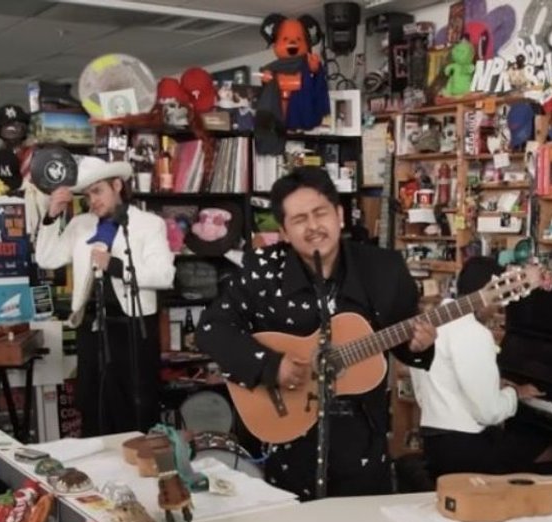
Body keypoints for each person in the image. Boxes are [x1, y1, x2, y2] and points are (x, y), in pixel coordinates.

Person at [197, 167, 437, 499]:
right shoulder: (263, 270)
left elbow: (405, 341)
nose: (312, 227)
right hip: (289, 438)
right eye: (299, 220)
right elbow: (212, 329)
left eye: (320, 213)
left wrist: (420, 345)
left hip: (363, 443)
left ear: (339, 215)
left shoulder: (384, 268)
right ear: (284, 231)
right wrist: (270, 365)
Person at [35, 156, 175, 436]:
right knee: (93, 404)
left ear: (117, 185)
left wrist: (115, 266)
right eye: (87, 195)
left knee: (135, 406)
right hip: (92, 327)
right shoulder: (80, 224)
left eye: (98, 191)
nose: (93, 201)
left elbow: (164, 275)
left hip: (132, 327)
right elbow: (47, 259)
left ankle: (137, 457)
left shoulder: (149, 224)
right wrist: (51, 217)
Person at [410, 256, 552, 480]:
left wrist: (494, 386)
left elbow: (430, 391)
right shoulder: (473, 332)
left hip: (435, 445)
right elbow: (489, 413)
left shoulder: (430, 321)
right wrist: (515, 393)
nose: (499, 306)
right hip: (467, 448)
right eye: (499, 298)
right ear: (489, 291)